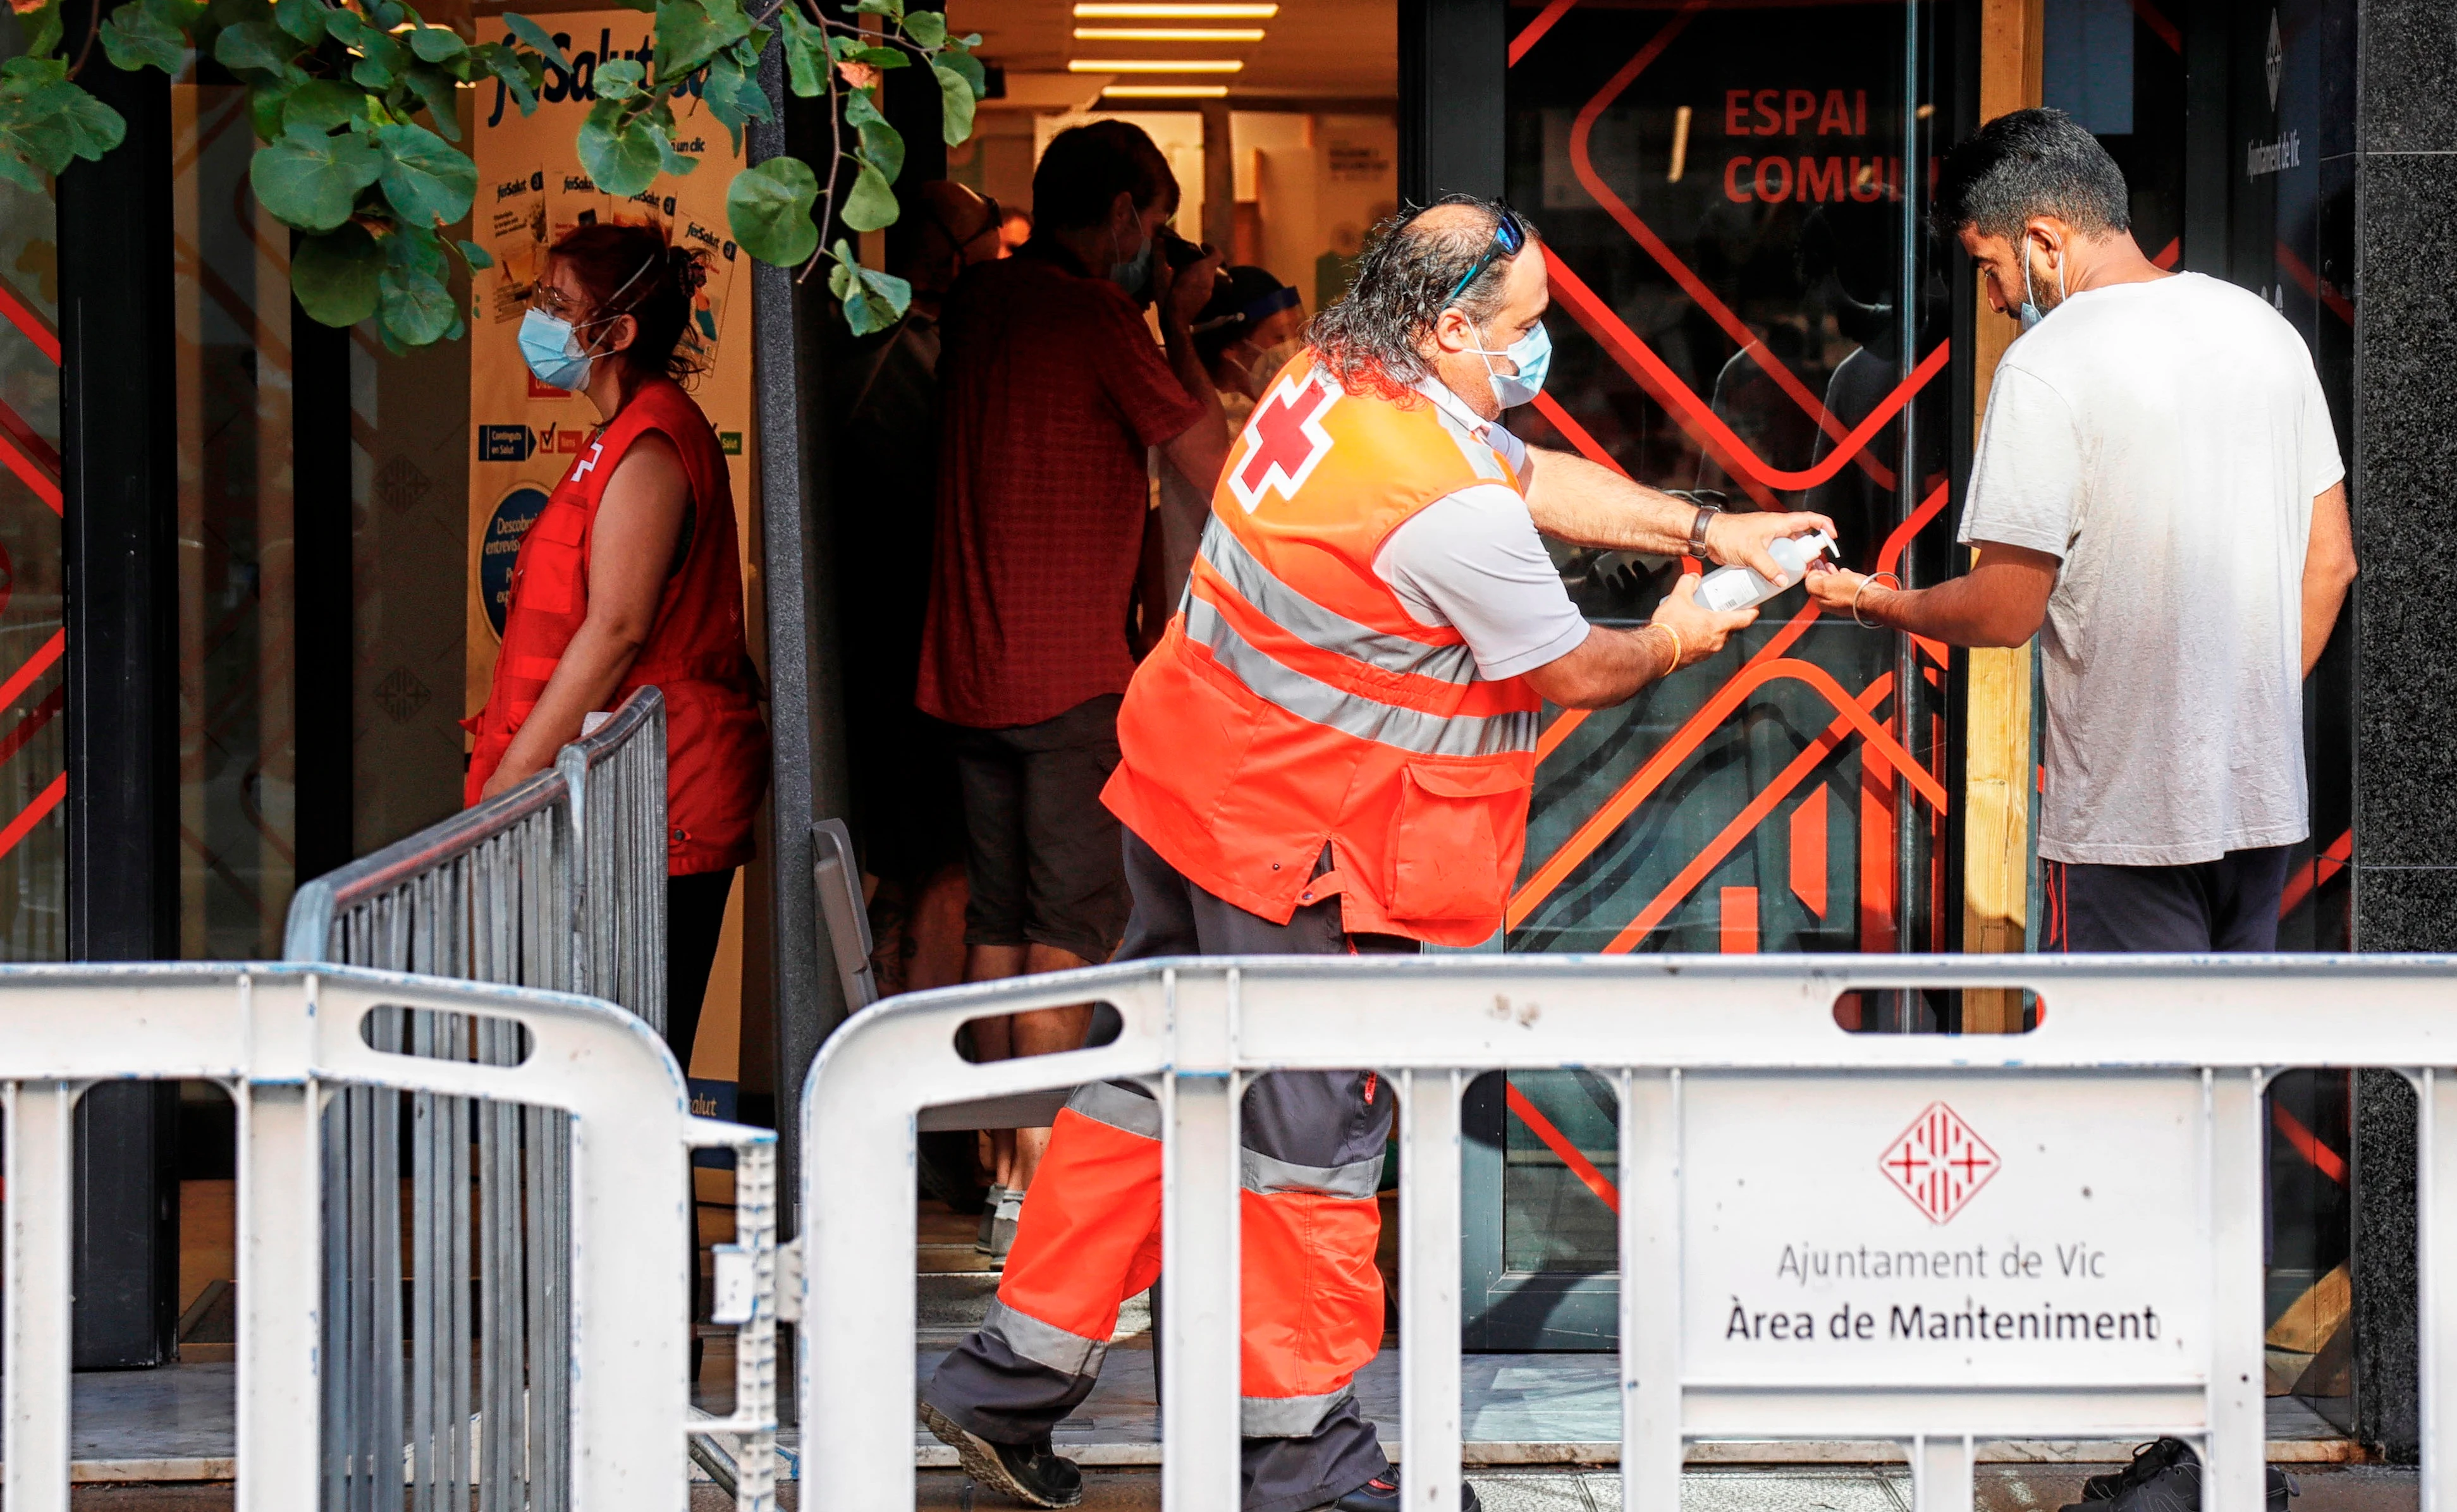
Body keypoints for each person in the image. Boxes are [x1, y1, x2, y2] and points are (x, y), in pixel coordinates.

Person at [918, 195, 1836, 1512]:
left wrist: (1706, 526)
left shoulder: (1334, 378)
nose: (1538, 353)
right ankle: (1304, 1459)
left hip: (1193, 797)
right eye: (1523, 330)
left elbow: (1520, 472)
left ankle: (1005, 1377)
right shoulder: (1435, 501)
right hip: (1298, 845)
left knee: (1142, 1097)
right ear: (1450, 325)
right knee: (1304, 1149)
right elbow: (1573, 661)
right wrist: (1685, 631)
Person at [1804, 108, 2358, 951]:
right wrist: (2241, 707)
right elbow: (2331, 567)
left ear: (2044, 240)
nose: (1991, 300)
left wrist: (1876, 602)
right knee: (2230, 1062)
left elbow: (2003, 611)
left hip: (2129, 811)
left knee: (2142, 1073)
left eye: (1989, 267)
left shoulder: (2046, 365)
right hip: (2262, 799)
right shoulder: (2266, 333)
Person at [917, 120, 1232, 1260]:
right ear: (1124, 216)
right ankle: (1051, 1213)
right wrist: (1179, 326)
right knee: (1067, 931)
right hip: (1066, 680)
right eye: (1149, 223)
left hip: (968, 668)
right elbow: (1217, 460)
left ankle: (1007, 1174)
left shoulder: (985, 302)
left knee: (998, 927)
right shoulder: (1099, 316)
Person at [467, 221, 771, 1066]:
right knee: (592, 1064)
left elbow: (615, 630)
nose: (540, 319)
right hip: (616, 794)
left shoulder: (650, 441)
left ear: (618, 333)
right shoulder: (617, 434)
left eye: (560, 306)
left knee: (624, 1069)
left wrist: (511, 782)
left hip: (655, 802)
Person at [832, 181, 1007, 1002]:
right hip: (909, 650)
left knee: (906, 870)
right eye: (986, 244)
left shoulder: (888, 346)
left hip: (892, 648)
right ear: (947, 254)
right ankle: (915, 1069)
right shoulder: (895, 357)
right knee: (934, 868)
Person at [1149, 265, 1304, 618]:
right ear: (1233, 349)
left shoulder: (1270, 406)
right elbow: (1224, 477)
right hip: (1217, 620)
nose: (1293, 349)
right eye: (1278, 338)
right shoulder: (1201, 421)